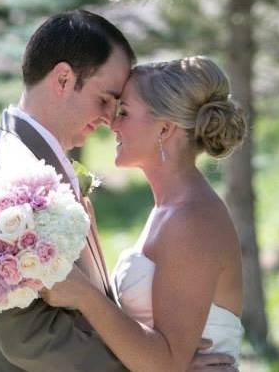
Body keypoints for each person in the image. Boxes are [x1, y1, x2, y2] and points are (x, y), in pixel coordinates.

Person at [0, 10, 236, 371]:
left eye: (120, 107)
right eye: (106, 99)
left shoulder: (34, 162)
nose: (110, 119)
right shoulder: (12, 179)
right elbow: (29, 338)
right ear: (63, 80)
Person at [42, 56, 246, 372]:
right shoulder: (172, 208)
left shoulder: (191, 221)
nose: (112, 123)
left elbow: (165, 363)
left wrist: (83, 294)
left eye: (124, 112)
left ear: (165, 128)